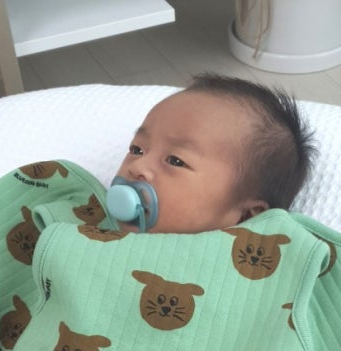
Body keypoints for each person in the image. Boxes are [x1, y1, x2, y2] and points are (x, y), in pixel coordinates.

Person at [113, 73, 317, 235]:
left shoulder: (241, 267)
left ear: (246, 216)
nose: (137, 166)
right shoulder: (95, 217)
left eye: (175, 161)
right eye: (137, 150)